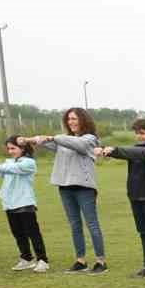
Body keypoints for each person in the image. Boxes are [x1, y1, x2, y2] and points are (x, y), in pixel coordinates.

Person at [24, 107, 105, 274]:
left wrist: (55, 137)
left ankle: (100, 261)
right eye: (68, 119)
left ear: (83, 120)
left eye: (74, 119)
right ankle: (80, 261)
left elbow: (78, 144)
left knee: (92, 224)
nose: (71, 122)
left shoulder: (90, 139)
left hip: (84, 187)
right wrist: (28, 139)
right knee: (75, 225)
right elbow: (46, 142)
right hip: (65, 187)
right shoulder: (64, 140)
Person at [95, 118, 145, 278]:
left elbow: (139, 153)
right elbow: (128, 153)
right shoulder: (134, 148)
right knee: (143, 232)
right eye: (137, 133)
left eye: (142, 133)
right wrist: (105, 150)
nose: (139, 136)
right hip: (135, 195)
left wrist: (115, 150)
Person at [0, 136, 49, 272]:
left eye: (13, 148)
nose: (10, 151)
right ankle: (27, 258)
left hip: (25, 202)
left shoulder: (28, 163)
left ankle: (42, 260)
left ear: (22, 148)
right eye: (9, 148)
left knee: (33, 233)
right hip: (10, 203)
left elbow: (11, 169)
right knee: (18, 233)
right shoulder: (9, 163)